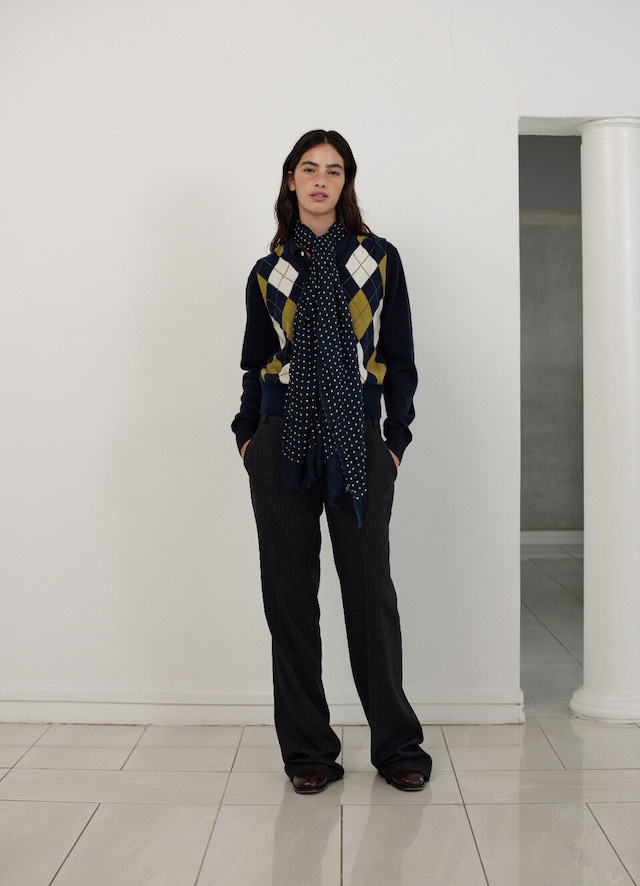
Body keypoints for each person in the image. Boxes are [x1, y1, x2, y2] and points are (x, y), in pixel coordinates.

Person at [232, 129, 432, 794]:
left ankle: (397, 745)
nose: (322, 180)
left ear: (346, 183)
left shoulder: (377, 259)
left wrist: (395, 438)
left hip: (359, 441)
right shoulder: (268, 271)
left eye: (335, 170)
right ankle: (309, 752)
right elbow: (255, 360)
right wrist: (247, 434)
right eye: (310, 168)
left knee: (369, 593)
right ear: (291, 180)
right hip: (281, 441)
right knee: (289, 598)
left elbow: (398, 355)